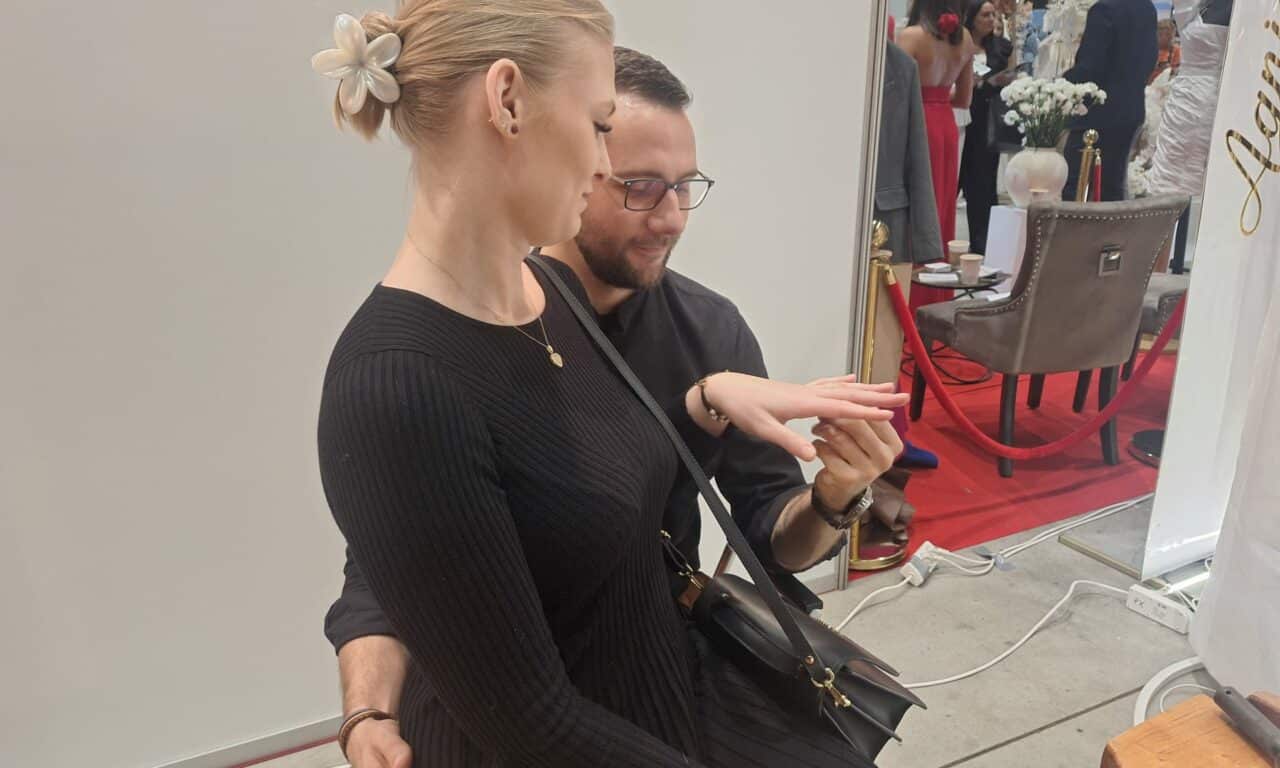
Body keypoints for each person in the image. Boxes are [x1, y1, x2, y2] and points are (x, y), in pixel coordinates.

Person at [313, 3, 908, 765]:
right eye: (599, 128)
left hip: (651, 706)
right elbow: (529, 717)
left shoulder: (549, 299)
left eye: (683, 185)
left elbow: (591, 497)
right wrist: (366, 706)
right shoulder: (394, 383)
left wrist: (705, 406)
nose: (600, 166)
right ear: (506, 100)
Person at [897, 0, 975, 309]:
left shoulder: (911, 37)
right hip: (946, 126)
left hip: (917, 125)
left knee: (913, 208)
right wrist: (939, 95)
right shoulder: (964, 38)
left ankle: (909, 297)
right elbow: (964, 99)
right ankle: (936, 299)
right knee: (942, 208)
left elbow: (896, 95)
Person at [1061, 0, 1158, 201]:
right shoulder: (1146, 8)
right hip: (1130, 109)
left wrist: (1061, 84)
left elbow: (1091, 65)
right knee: (1112, 186)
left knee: (1075, 188)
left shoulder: (1104, 9)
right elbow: (1150, 59)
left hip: (1097, 113)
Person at [959, 0, 1016, 254]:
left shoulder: (1002, 48)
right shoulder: (958, 43)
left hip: (986, 121)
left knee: (983, 184)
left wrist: (999, 81)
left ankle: (982, 245)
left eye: (993, 15)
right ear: (971, 18)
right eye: (985, 15)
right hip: (960, 115)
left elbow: (1012, 76)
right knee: (956, 179)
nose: (992, 20)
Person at [1149, 18, 1183, 84]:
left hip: (1166, 85)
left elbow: (1178, 72)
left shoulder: (1176, 50)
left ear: (1173, 35)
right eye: (1160, 34)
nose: (1164, 37)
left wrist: (1169, 69)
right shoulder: (1148, 49)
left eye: (1168, 34)